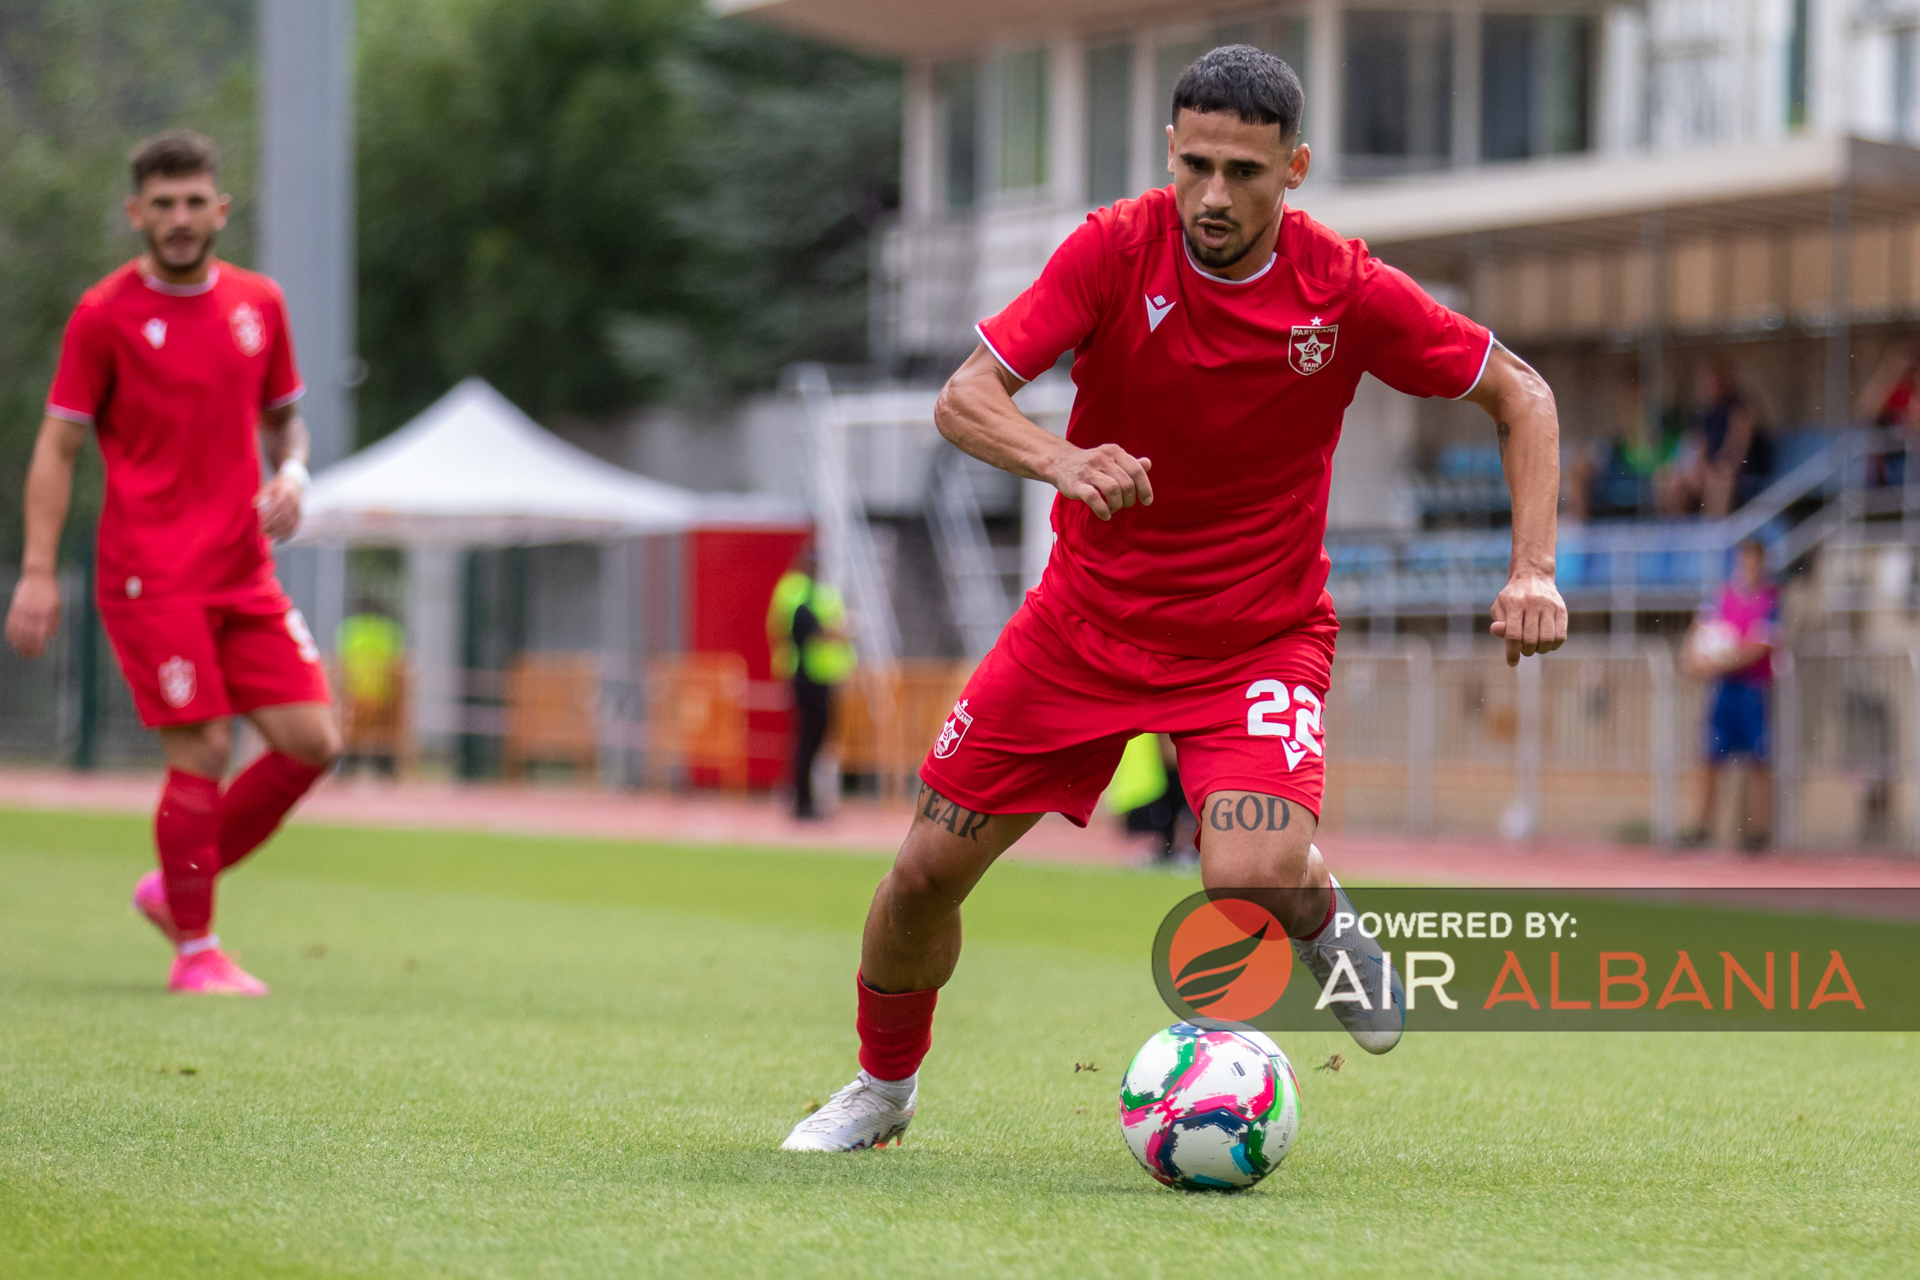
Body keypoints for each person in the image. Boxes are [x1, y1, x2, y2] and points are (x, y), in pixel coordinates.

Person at [781, 46, 1566, 1154]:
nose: (1213, 195)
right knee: (920, 876)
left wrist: (1532, 568)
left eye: (1244, 171)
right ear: (1169, 152)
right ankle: (881, 1089)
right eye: (1195, 164)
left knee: (1247, 875)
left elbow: (1523, 395)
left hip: (1256, 642)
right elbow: (965, 398)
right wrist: (1061, 459)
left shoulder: (1343, 289)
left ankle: (1314, 908)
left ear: (1294, 169)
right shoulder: (1113, 249)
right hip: (1080, 628)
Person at [3, 130, 340, 996]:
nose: (181, 218)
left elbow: (286, 424)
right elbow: (57, 448)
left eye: (194, 202)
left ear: (221, 209)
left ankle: (173, 887)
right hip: (150, 574)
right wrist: (38, 570)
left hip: (243, 570)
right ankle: (196, 952)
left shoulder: (259, 303)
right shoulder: (104, 315)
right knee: (205, 746)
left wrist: (294, 474)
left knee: (313, 742)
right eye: (163, 205)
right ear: (136, 214)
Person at [1680, 539, 1778, 854]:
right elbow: (1698, 632)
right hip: (1723, 690)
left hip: (1752, 689)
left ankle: (1759, 832)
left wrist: (1723, 661)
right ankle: (1701, 827)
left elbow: (1761, 645)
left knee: (1758, 760)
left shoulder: (1770, 599)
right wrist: (1694, 658)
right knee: (1710, 758)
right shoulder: (1722, 597)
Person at [767, 548, 854, 820]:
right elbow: (805, 629)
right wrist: (838, 632)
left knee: (813, 740)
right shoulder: (798, 595)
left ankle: (805, 798)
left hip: (818, 676)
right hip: (808, 677)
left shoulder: (815, 594)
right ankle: (802, 800)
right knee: (807, 740)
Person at [1656, 363, 1762, 518]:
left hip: (1735, 469)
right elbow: (1697, 444)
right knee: (1669, 480)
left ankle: (1712, 530)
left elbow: (1736, 448)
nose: (1710, 387)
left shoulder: (1738, 408)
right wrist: (1695, 468)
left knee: (1719, 479)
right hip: (1709, 468)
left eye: (1714, 382)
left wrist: (1718, 467)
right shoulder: (1704, 412)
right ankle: (1679, 530)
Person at [336, 599, 406, 776]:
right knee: (384, 731)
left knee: (354, 730)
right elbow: (396, 661)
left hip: (357, 691)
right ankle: (384, 765)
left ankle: (351, 764)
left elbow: (342, 660)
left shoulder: (349, 628)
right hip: (381, 692)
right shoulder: (389, 630)